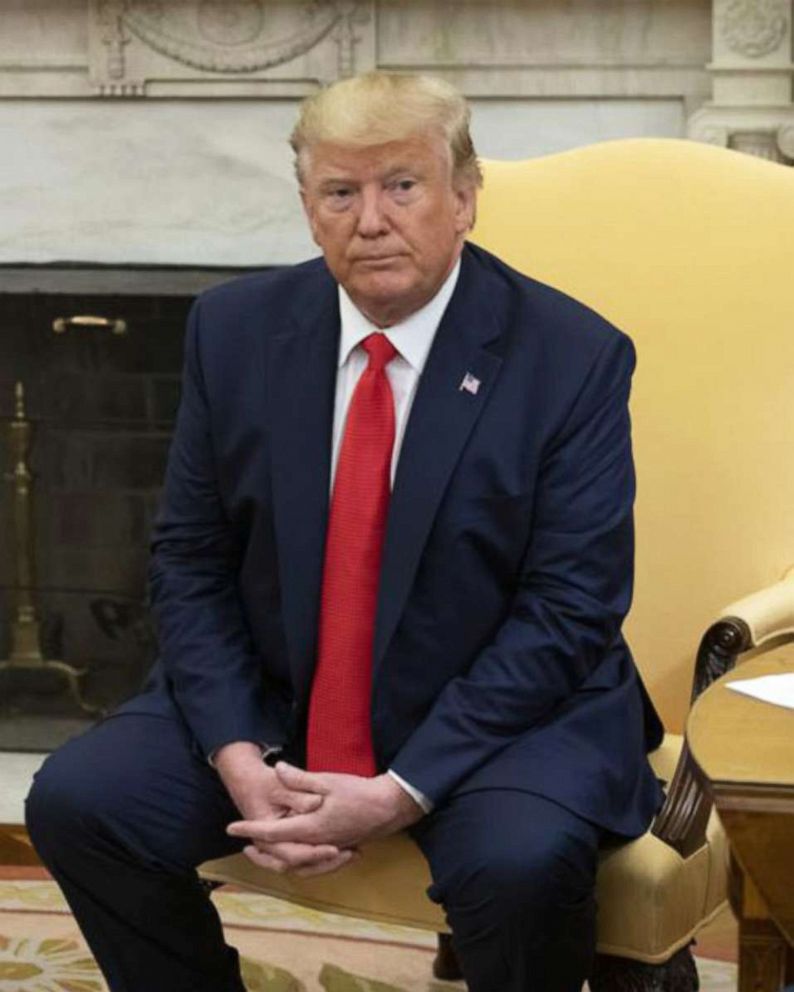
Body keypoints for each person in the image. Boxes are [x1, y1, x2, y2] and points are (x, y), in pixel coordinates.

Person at [26, 71, 664, 992]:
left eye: (402, 185)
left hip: (500, 720)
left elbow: (571, 609)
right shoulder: (234, 330)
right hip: (282, 698)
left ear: (465, 199)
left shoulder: (572, 356)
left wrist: (401, 788)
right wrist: (236, 751)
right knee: (83, 802)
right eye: (341, 192)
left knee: (519, 864)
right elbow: (191, 560)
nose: (372, 219)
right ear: (308, 208)